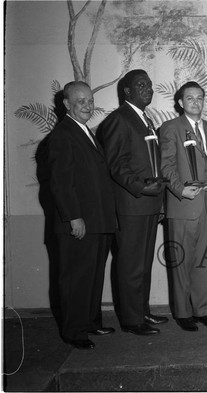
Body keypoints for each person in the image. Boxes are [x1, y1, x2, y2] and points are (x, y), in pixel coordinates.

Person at [97, 69, 168, 336]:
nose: (148, 88)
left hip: (148, 204)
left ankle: (142, 310)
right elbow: (116, 165)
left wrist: (158, 198)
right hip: (131, 204)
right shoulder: (119, 119)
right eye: (141, 85)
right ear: (126, 91)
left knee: (143, 262)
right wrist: (141, 187)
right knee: (130, 263)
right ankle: (131, 319)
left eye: (149, 84)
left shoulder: (144, 120)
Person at [48, 81, 116, 349]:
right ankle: (74, 331)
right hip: (79, 223)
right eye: (81, 102)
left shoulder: (84, 131)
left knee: (93, 276)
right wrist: (73, 217)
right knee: (76, 278)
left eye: (90, 100)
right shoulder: (62, 135)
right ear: (66, 104)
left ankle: (90, 322)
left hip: (97, 221)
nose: (88, 106)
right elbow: (60, 183)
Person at [159, 81, 207, 332]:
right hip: (183, 205)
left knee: (203, 261)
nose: (195, 102)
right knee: (180, 261)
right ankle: (183, 313)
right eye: (190, 98)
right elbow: (167, 165)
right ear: (180, 103)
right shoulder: (170, 128)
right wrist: (179, 189)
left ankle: (201, 310)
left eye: (199, 98)